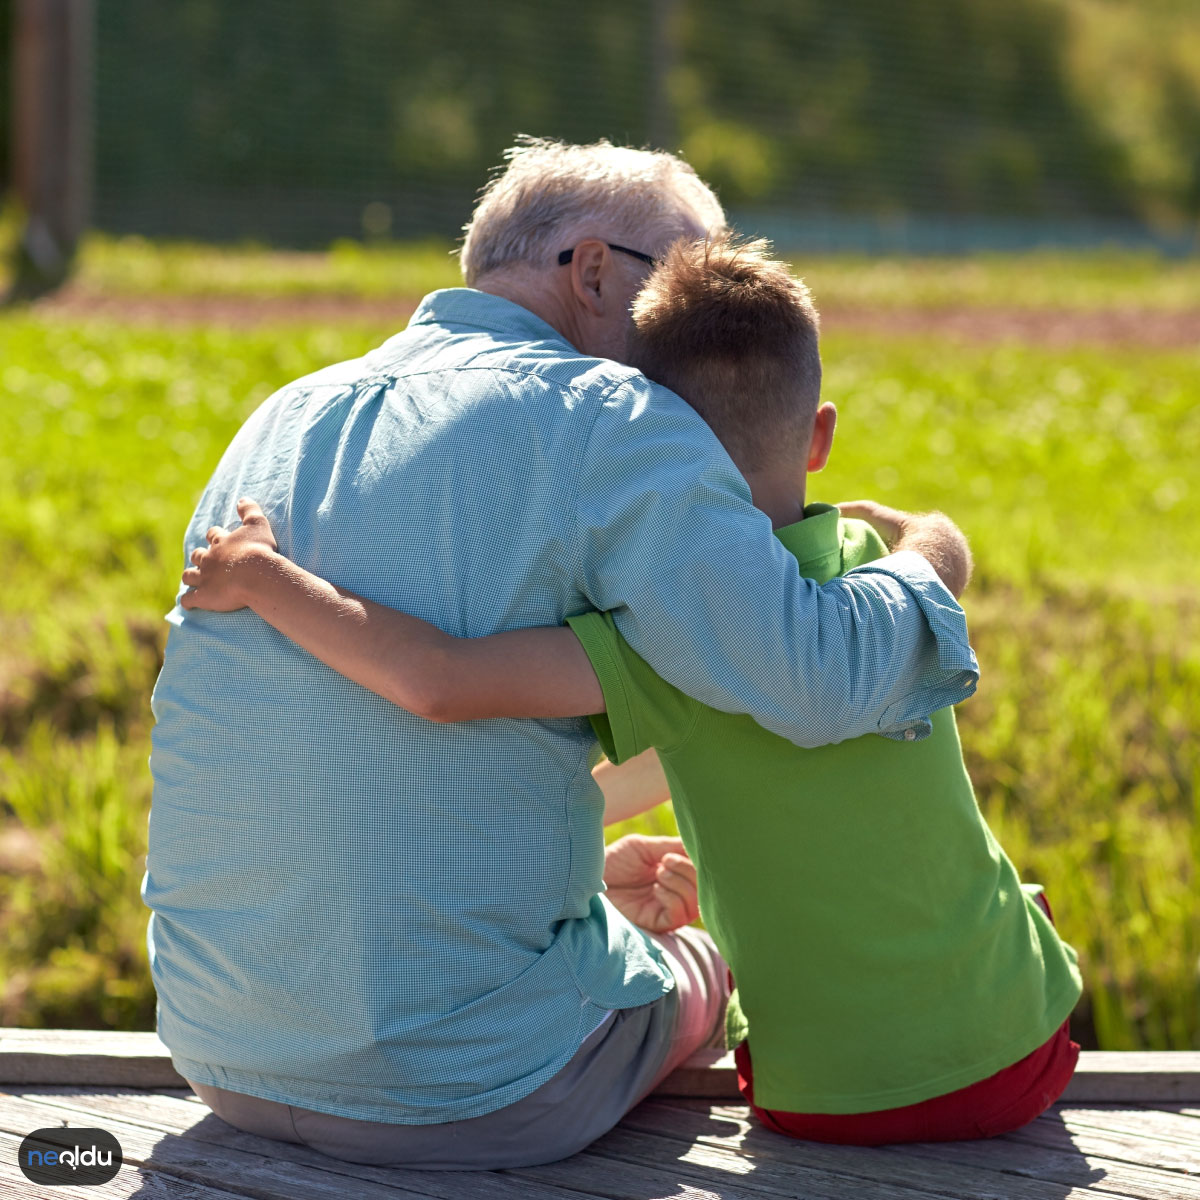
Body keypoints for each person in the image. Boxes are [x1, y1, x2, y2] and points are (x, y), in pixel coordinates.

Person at [149, 139, 978, 1169]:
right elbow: (813, 677)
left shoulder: (280, 416)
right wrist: (934, 556)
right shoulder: (615, 416)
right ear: (592, 272)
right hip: (472, 1089)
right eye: (680, 281)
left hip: (216, 1049)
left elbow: (356, 753)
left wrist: (576, 869)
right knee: (712, 959)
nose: (694, 329)